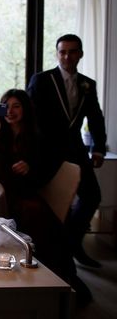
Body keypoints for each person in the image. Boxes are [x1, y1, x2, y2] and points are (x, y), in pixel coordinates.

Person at [0, 89, 91, 303]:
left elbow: (43, 173)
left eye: (16, 106)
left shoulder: (36, 138)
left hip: (24, 193)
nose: (10, 111)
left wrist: (30, 168)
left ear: (25, 109)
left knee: (43, 221)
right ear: (0, 110)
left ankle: (61, 279)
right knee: (36, 216)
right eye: (6, 106)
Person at [27, 34, 106, 269]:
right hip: (46, 152)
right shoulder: (42, 80)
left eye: (72, 52)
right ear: (57, 54)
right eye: (62, 52)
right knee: (46, 200)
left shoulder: (87, 84)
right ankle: (55, 251)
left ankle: (73, 244)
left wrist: (99, 148)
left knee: (92, 196)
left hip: (76, 150)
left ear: (80, 54)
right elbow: (31, 116)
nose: (67, 56)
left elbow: (95, 118)